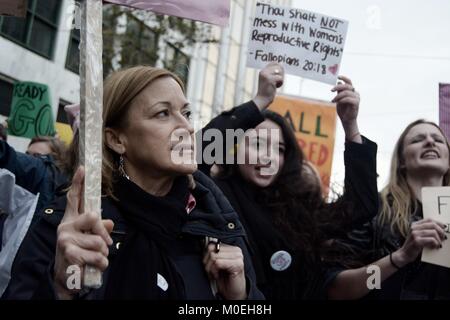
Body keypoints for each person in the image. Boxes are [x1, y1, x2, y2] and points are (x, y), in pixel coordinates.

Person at [5, 66, 263, 300]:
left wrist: (240, 297)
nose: (186, 126)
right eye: (163, 113)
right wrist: (60, 288)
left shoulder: (215, 221)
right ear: (117, 139)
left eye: (186, 113)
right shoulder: (72, 226)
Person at [198, 63, 378, 299]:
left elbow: (360, 208)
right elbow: (199, 153)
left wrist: (350, 126)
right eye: (259, 144)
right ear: (234, 146)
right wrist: (260, 101)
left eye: (279, 149)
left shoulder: (297, 207)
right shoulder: (216, 194)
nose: (269, 157)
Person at [328, 119, 450, 300]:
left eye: (438, 140)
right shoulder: (373, 210)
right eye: (417, 139)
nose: (430, 142)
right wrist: (399, 258)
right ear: (401, 161)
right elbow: (339, 290)